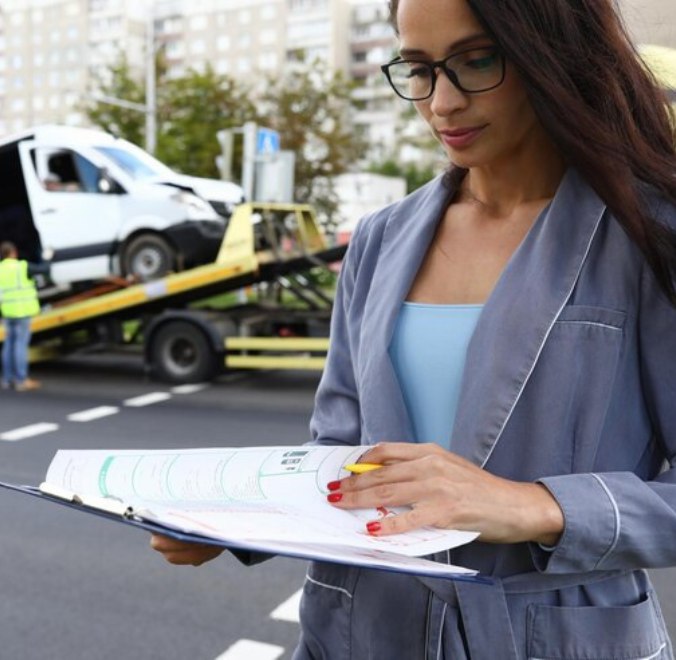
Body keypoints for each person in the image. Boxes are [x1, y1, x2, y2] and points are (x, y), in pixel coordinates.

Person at [151, 0, 676, 657]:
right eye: (419, 69)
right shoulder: (380, 239)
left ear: (554, 49)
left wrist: (537, 507)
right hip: (359, 631)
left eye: (476, 61)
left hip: (556, 636)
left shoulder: (649, 234)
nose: (441, 102)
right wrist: (236, 522)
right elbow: (340, 455)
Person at [0, 241, 48, 391]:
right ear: (13, 252)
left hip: (8, 312)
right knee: (20, 346)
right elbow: (43, 269)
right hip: (22, 311)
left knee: (8, 345)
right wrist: (47, 257)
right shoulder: (21, 266)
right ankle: (21, 380)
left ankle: (7, 379)